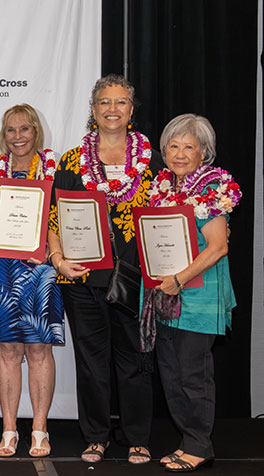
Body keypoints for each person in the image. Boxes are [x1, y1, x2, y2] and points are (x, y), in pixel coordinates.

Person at [46, 74, 163, 464]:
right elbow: (53, 218)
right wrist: (60, 260)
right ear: (93, 110)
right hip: (81, 277)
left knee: (134, 360)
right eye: (104, 103)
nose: (112, 109)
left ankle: (137, 438)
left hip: (135, 278)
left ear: (132, 110)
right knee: (91, 361)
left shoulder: (153, 163)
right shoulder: (71, 161)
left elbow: (169, 217)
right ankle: (95, 436)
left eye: (121, 102)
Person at [145, 114, 239, 472]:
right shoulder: (163, 185)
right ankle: (189, 441)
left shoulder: (214, 187)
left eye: (189, 147)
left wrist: (179, 279)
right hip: (168, 296)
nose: (179, 153)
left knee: (192, 374)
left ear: (204, 152)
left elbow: (217, 248)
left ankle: (199, 445)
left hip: (198, 296)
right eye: (173, 146)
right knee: (170, 372)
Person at [0, 104, 62, 457]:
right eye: (11, 130)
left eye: (25, 129)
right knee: (7, 350)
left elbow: (64, 217)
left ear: (36, 131)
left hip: (39, 266)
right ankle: (9, 429)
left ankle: (39, 429)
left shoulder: (54, 168)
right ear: (3, 134)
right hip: (1, 268)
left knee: (39, 350)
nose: (18, 136)